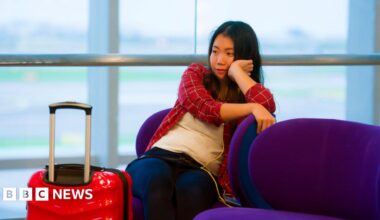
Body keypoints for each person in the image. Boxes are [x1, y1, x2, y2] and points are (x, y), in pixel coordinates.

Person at [126, 20, 276, 220]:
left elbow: (266, 105)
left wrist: (238, 73)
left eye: (229, 54)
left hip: (201, 169)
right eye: (215, 51)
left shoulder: (245, 94)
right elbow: (206, 109)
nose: (219, 60)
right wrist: (251, 107)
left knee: (191, 192)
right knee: (157, 182)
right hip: (160, 156)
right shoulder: (195, 74)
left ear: (245, 58)